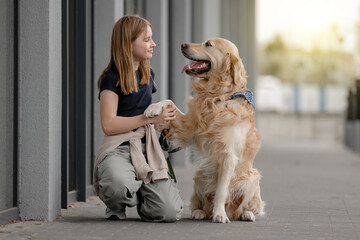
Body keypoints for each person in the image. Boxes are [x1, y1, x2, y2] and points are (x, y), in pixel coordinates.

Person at [94, 15, 184, 222]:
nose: (153, 44)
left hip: (146, 147)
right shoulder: (111, 77)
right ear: (128, 43)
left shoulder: (147, 75)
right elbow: (108, 125)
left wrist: (161, 124)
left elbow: (150, 120)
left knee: (169, 212)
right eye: (146, 39)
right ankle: (118, 202)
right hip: (118, 147)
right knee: (117, 187)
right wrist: (148, 119)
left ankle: (145, 195)